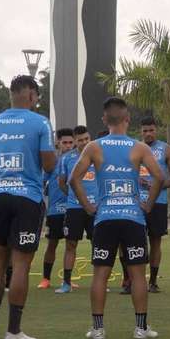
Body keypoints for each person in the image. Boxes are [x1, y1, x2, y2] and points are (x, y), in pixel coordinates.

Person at [70, 97, 163, 339]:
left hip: (105, 218)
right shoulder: (139, 147)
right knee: (137, 274)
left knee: (100, 274)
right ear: (127, 119)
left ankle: (98, 328)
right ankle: (141, 328)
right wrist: (148, 205)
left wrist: (89, 206)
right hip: (133, 217)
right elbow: (159, 177)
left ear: (104, 119)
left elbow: (74, 178)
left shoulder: (94, 147)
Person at [0, 75, 56, 339]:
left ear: (11, 94)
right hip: (28, 198)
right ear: (33, 95)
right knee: (21, 264)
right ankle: (13, 331)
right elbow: (49, 165)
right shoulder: (40, 122)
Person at [139, 117, 170, 293]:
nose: (148, 133)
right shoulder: (134, 148)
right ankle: (130, 281)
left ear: (156, 130)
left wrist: (158, 186)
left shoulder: (166, 149)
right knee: (134, 241)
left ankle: (153, 281)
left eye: (151, 130)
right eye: (145, 130)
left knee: (155, 241)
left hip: (158, 203)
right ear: (141, 131)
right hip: (136, 202)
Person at [56, 126, 98, 294]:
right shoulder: (67, 159)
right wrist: (75, 196)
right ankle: (66, 283)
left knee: (98, 244)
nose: (84, 142)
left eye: (86, 139)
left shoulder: (98, 156)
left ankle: (99, 281)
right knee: (70, 244)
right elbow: (62, 183)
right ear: (75, 141)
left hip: (95, 208)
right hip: (74, 208)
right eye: (80, 140)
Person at [38, 128, 75, 289]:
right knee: (52, 243)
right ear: (58, 143)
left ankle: (67, 279)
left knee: (71, 244)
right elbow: (42, 182)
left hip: (73, 209)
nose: (68, 145)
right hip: (54, 210)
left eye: (70, 142)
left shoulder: (77, 160)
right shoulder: (52, 162)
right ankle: (46, 279)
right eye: (64, 142)